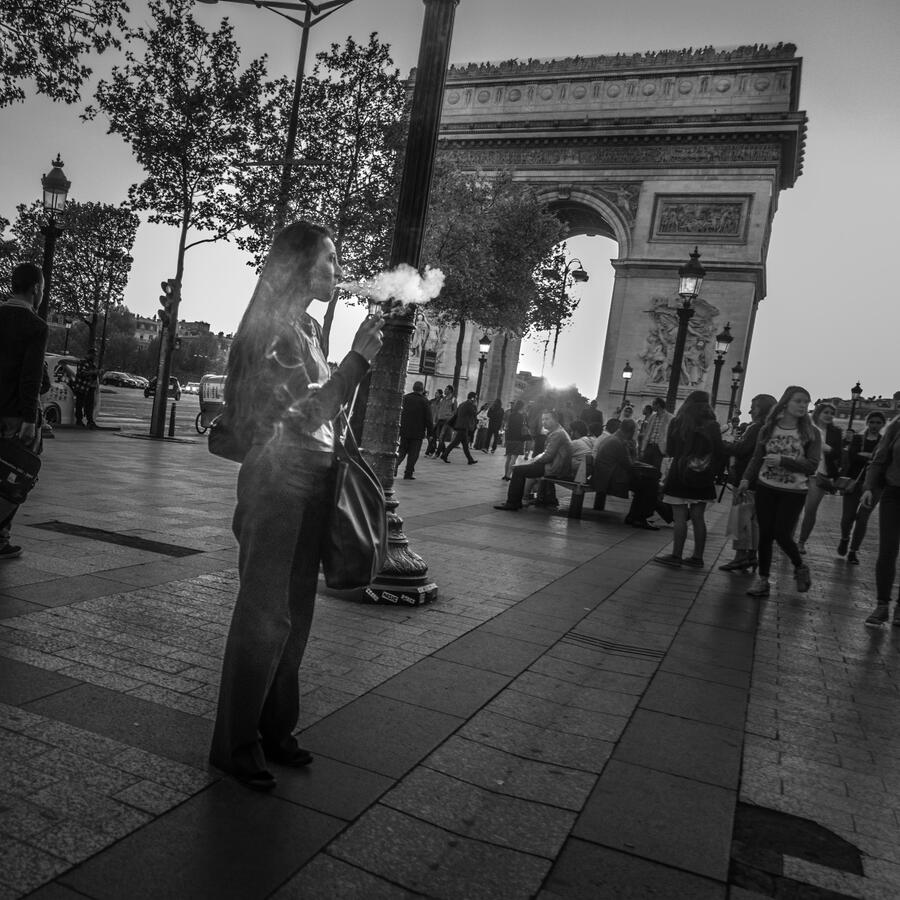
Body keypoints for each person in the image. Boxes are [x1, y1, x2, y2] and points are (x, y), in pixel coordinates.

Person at [209, 221, 383, 791]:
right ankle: (235, 744)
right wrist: (357, 360)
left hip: (310, 477)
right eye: (330, 259)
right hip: (278, 479)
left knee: (296, 613)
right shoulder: (272, 329)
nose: (338, 269)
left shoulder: (306, 327)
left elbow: (322, 414)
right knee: (266, 613)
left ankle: (275, 728)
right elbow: (304, 414)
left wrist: (351, 361)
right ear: (299, 265)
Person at [738, 386, 820, 598]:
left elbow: (812, 465)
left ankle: (799, 565)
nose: (803, 406)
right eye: (799, 401)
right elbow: (757, 457)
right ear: (786, 403)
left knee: (782, 533)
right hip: (767, 486)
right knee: (765, 533)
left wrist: (783, 460)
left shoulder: (811, 433)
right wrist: (746, 479)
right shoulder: (768, 429)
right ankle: (763, 580)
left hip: (794, 491)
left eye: (806, 402)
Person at [0, 263, 48, 561]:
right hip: (15, 415)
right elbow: (30, 379)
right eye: (41, 288)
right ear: (35, 289)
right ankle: (1, 536)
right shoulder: (35, 326)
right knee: (14, 475)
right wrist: (30, 419)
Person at [654, 390, 725, 568]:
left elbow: (669, 450)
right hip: (703, 475)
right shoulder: (713, 424)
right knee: (698, 517)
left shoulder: (678, 422)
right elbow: (719, 451)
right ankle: (697, 558)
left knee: (679, 518)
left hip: (680, 473)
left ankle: (676, 555)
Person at [718, 394, 777, 573]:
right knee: (754, 522)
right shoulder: (770, 428)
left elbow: (742, 450)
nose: (750, 410)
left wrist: (722, 445)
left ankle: (740, 557)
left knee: (741, 520)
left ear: (763, 408)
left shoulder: (756, 428)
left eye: (754, 406)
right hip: (761, 481)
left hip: (746, 480)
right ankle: (751, 555)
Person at [860, 415, 900, 625]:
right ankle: (882, 605)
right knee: (888, 549)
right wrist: (868, 487)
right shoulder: (897, 426)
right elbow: (879, 459)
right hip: (894, 493)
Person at [495, 409, 571, 510]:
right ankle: (517, 500)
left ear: (555, 420)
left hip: (554, 467)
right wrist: (534, 460)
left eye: (547, 419)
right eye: (543, 419)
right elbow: (548, 454)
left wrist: (533, 461)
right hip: (555, 465)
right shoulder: (557, 432)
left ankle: (513, 503)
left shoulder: (557, 434)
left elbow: (548, 456)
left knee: (518, 470)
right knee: (521, 468)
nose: (544, 422)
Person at [839, 410, 885, 564]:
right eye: (872, 422)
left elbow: (883, 462)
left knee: (863, 519)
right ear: (867, 423)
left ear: (883, 424)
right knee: (847, 517)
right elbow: (852, 457)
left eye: (878, 423)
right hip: (854, 481)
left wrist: (865, 456)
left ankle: (853, 551)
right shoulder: (858, 439)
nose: (874, 425)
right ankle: (845, 538)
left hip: (874, 485)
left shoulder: (885, 441)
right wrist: (872, 457)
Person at [797, 402, 843, 554]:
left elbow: (839, 454)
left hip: (820, 475)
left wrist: (827, 448)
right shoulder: (806, 427)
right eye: (826, 412)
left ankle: (801, 542)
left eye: (832, 413)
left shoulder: (835, 432)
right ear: (818, 413)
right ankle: (787, 537)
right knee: (794, 508)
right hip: (802, 472)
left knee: (810, 510)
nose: (829, 415)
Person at [396, 380, 433, 480]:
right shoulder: (425, 401)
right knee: (414, 453)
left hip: (404, 430)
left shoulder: (405, 398)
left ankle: (394, 467)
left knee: (402, 450)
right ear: (422, 389)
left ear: (413, 388)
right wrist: (430, 433)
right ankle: (408, 473)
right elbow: (429, 419)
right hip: (418, 432)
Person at [440, 391, 479, 464]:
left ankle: (470, 460)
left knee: (465, 445)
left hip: (459, 425)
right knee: (454, 443)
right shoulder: (469, 405)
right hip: (464, 426)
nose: (476, 399)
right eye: (476, 398)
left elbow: (456, 414)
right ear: (473, 398)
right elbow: (474, 414)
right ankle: (444, 454)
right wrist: (475, 405)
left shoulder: (462, 404)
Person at [639, 397, 673, 469]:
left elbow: (670, 435)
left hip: (660, 449)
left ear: (658, 405)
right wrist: (643, 449)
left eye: (654, 404)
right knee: (645, 467)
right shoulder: (652, 417)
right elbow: (647, 433)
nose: (652, 406)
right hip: (650, 446)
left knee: (657, 469)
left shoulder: (670, 418)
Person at [502, 399, 528, 480]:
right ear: (522, 407)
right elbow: (522, 428)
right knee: (514, 458)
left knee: (508, 457)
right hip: (518, 438)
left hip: (510, 438)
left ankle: (505, 474)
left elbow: (508, 426)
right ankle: (508, 476)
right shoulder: (521, 416)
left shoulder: (511, 414)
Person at [73, 350, 100, 427]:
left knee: (89, 405)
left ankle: (90, 421)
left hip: (90, 387)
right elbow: (82, 373)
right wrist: (94, 372)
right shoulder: (83, 362)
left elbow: (92, 375)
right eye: (93, 355)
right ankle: (79, 420)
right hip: (82, 387)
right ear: (89, 354)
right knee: (80, 404)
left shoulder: (92, 364)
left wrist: (96, 373)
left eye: (95, 355)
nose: (94, 357)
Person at [431, 384, 456, 458]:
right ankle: (444, 452)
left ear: (450, 390)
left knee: (441, 437)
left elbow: (455, 411)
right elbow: (439, 409)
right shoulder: (442, 399)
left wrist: (450, 418)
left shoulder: (453, 400)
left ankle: (437, 454)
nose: (444, 391)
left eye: (446, 389)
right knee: (439, 437)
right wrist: (436, 419)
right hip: (440, 420)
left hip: (446, 421)